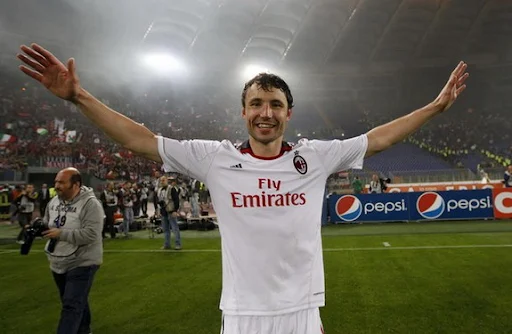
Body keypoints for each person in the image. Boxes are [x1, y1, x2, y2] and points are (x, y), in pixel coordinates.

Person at [17, 43, 468, 334]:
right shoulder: (215, 159)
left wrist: (435, 106)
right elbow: (139, 138)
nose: (265, 112)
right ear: (243, 111)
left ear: (289, 112)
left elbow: (379, 137)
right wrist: (79, 96)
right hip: (242, 315)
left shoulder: (314, 157)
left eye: (275, 104)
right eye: (256, 104)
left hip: (303, 313)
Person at [40, 167, 104, 334]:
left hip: (83, 260)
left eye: (61, 182)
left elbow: (91, 234)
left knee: (71, 305)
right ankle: (85, 331)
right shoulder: (54, 201)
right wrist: (40, 227)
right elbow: (48, 222)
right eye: (56, 182)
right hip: (58, 259)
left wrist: (60, 233)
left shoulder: (91, 204)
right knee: (75, 301)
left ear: (75, 184)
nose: (57, 185)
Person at [157, 176, 181, 250]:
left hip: (171, 210)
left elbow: (176, 200)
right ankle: (167, 244)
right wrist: (158, 211)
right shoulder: (159, 190)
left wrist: (175, 210)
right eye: (161, 180)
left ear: (167, 180)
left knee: (175, 228)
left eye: (163, 180)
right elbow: (157, 201)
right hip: (163, 211)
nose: (162, 181)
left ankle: (178, 244)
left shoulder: (172, 189)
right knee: (165, 229)